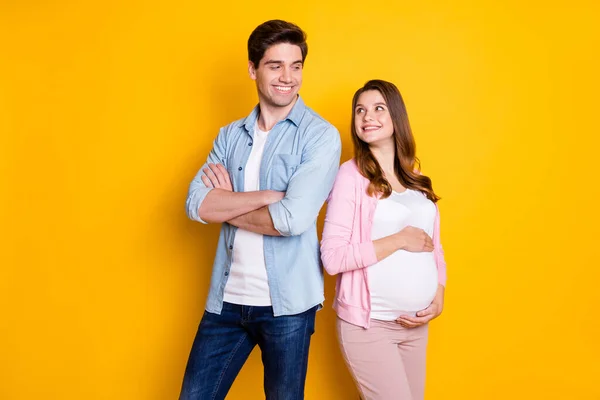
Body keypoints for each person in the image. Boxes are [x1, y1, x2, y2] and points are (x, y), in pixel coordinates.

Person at [179, 19, 341, 400]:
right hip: (226, 301)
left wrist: (226, 204)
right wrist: (268, 195)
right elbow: (194, 204)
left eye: (296, 65)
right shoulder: (229, 135)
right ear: (253, 69)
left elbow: (292, 220)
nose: (288, 77)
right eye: (275, 65)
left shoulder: (319, 135)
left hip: (287, 308)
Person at [320, 79, 447, 400]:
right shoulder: (350, 176)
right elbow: (332, 258)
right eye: (360, 110)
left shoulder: (415, 179)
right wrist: (399, 239)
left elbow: (435, 247)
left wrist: (440, 292)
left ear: (396, 118)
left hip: (415, 326)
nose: (367, 116)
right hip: (369, 326)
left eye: (379, 108)